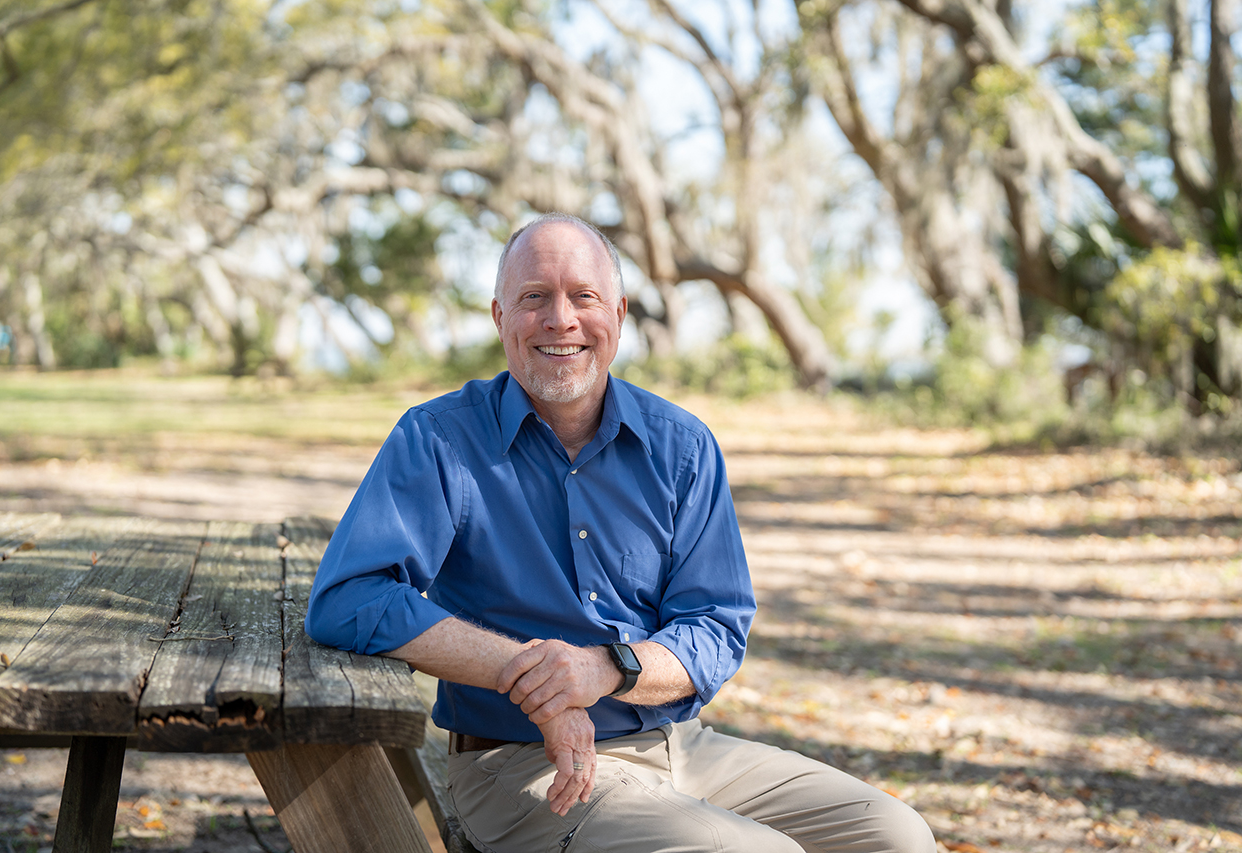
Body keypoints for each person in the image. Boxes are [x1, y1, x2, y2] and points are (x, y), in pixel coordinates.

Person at [306, 213, 935, 852]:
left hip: (682, 746)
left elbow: (716, 627)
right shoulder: (439, 439)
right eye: (534, 298)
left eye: (583, 296)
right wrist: (533, 678)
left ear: (620, 313)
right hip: (521, 765)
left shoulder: (681, 446)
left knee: (896, 837)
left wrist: (606, 669)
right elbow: (349, 599)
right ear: (499, 317)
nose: (561, 319)